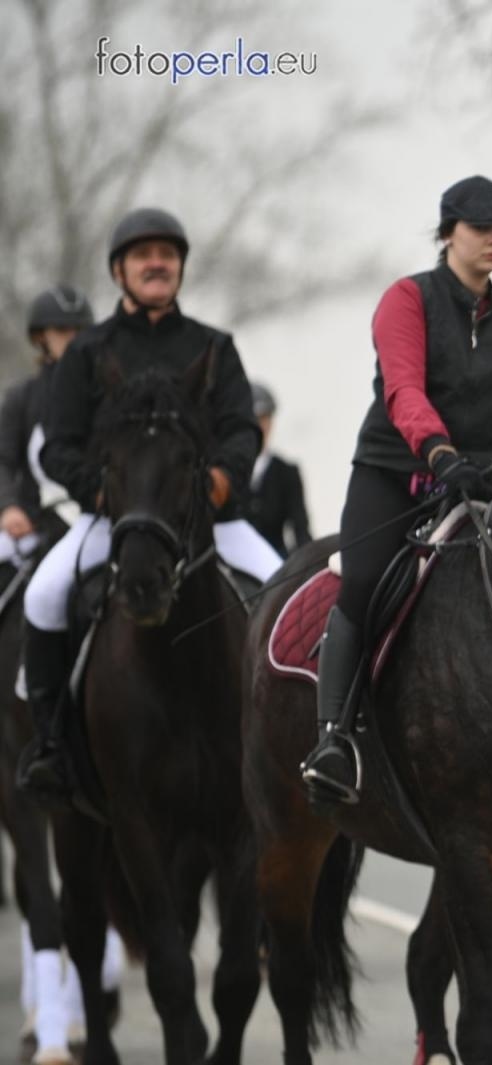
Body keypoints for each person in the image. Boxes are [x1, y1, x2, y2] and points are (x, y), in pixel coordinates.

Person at [299, 175, 492, 804]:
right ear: (449, 233)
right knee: (363, 581)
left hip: (474, 487)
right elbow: (404, 391)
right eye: (482, 229)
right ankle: (333, 736)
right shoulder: (405, 300)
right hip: (395, 475)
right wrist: (442, 455)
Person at [16, 208, 285, 799]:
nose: (157, 263)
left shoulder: (215, 346)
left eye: (167, 255)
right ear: (120, 271)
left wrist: (219, 480)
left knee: (287, 593)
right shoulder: (88, 352)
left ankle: (302, 741)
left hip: (213, 518)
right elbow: (59, 444)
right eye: (143, 256)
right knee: (43, 594)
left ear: (180, 268)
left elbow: (242, 429)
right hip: (112, 515)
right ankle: (52, 744)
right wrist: (102, 492)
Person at [0, 285, 93, 568]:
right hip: (34, 522)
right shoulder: (22, 398)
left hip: (94, 520)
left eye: (81, 332)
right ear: (41, 337)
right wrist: (9, 507)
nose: (75, 340)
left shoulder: (106, 397)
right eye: (64, 331)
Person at [243, 382, 312, 555]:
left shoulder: (286, 472)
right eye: (255, 419)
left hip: (274, 560)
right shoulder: (230, 469)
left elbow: (300, 529)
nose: (260, 427)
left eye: (264, 419)